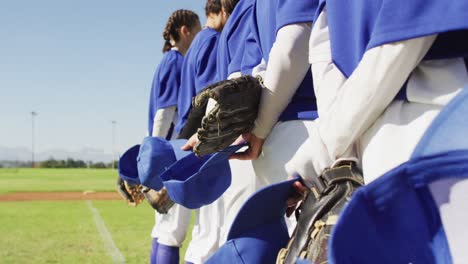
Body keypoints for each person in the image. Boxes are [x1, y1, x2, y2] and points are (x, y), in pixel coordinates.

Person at [285, 0, 468, 262]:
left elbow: (327, 59)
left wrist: (331, 146)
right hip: (426, 122)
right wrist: (331, 146)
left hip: (409, 129)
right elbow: (401, 39)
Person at [173, 1, 229, 263]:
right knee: (210, 235)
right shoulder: (211, 40)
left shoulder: (197, 42)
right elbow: (211, 97)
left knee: (205, 231)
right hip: (205, 138)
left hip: (192, 136)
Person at [147, 9, 201, 264]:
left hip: (164, 152)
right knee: (173, 231)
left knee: (163, 229)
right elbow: (165, 113)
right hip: (171, 153)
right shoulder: (176, 61)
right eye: (197, 32)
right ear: (185, 31)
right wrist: (156, 157)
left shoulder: (167, 61)